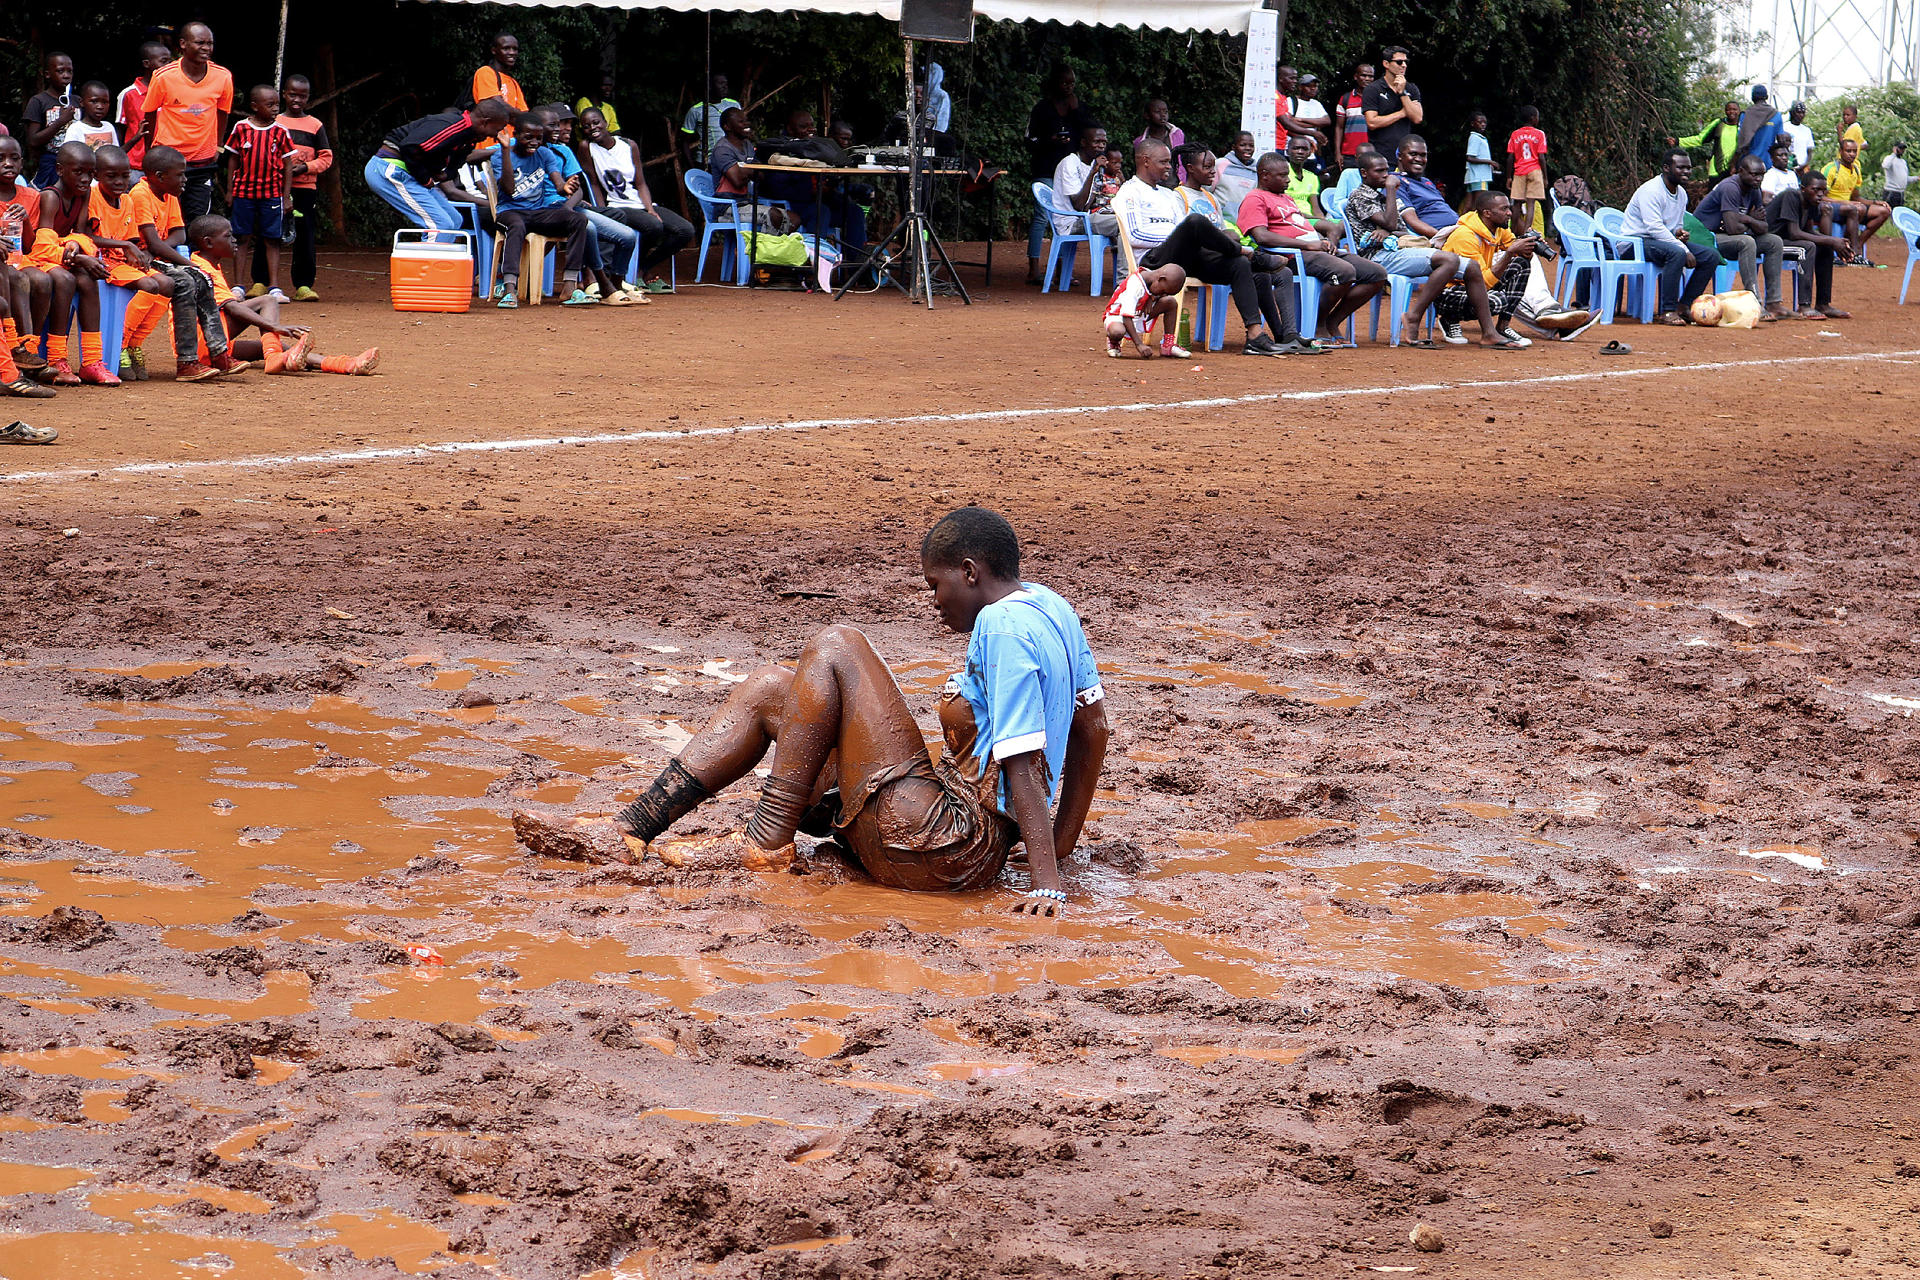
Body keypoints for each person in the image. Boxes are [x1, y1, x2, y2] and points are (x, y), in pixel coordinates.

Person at [612, 507, 1108, 917]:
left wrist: (1046, 882)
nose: (934, 602)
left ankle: (764, 843)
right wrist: (1061, 844)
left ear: (970, 572)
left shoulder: (1000, 626)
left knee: (837, 645)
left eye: (935, 585)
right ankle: (634, 828)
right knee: (771, 688)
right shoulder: (1051, 605)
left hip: (948, 844)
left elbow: (1020, 757)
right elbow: (1094, 726)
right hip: (949, 837)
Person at [1114, 140, 1302, 357]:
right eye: (1163, 162)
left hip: (1186, 257)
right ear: (1145, 161)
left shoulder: (1167, 194)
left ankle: (1255, 336)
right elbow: (1134, 235)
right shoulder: (1129, 192)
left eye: (1168, 161)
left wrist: (1183, 237)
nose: (1169, 166)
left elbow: (1183, 231)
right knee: (1195, 222)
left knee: (1238, 264)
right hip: (1153, 264)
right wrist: (1174, 238)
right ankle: (1249, 253)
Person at [1344, 151, 1514, 348]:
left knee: (1472, 267)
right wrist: (1391, 192)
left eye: (1386, 170)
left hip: (1397, 251)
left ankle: (1489, 333)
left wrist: (1385, 229)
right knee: (1448, 260)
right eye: (1379, 171)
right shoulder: (1361, 195)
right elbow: (1392, 222)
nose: (1386, 175)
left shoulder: (1386, 197)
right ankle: (1414, 316)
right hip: (1376, 257)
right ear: (1364, 173)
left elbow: (1399, 229)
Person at [188, 214, 375, 376]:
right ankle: (273, 358)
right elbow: (233, 308)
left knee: (282, 348)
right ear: (208, 242)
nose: (234, 240)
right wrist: (275, 326)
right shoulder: (203, 270)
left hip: (206, 343)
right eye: (228, 236)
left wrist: (274, 329)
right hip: (202, 344)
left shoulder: (207, 263)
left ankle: (345, 364)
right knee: (267, 300)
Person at [1179, 147, 1320, 353]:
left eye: (1213, 167)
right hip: (1200, 259)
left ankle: (1286, 335)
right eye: (1207, 167)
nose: (1213, 171)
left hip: (1222, 255)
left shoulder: (1211, 199)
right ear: (1190, 169)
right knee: (1244, 263)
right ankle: (1254, 333)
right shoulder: (1179, 196)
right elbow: (1186, 235)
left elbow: (1223, 230)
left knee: (1279, 273)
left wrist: (1228, 237)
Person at [1238, 151, 1378, 345]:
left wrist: (1325, 233)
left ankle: (1331, 320)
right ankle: (1318, 324)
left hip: (1315, 250)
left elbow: (1300, 223)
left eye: (1288, 174)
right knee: (1345, 271)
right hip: (1290, 257)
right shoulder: (1255, 198)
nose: (1288, 180)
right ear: (1264, 175)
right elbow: (1261, 236)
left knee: (1376, 273)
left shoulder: (1285, 199)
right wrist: (1308, 245)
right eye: (1282, 175)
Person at [30, 142, 129, 384]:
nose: (85, 178)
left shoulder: (83, 193)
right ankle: (56, 358)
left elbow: (81, 233)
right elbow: (41, 245)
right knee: (64, 279)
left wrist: (75, 246)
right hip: (36, 258)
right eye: (78, 172)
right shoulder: (50, 197)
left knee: (87, 279)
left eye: (90, 173)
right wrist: (76, 254)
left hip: (61, 257)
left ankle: (92, 361)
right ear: (60, 170)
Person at [117, 145, 211, 382]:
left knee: (184, 282)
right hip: (133, 259)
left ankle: (134, 344)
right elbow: (151, 241)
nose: (185, 179)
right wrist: (190, 263)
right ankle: (121, 343)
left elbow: (180, 235)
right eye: (180, 174)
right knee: (184, 279)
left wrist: (160, 246)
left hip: (155, 257)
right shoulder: (140, 194)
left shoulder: (170, 195)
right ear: (159, 176)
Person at [534, 104, 641, 302]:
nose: (559, 129)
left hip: (568, 207)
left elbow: (577, 186)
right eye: (553, 125)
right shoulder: (525, 150)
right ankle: (602, 284)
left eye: (560, 125)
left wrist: (568, 207)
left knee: (627, 236)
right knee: (587, 228)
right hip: (545, 211)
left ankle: (616, 284)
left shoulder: (562, 152)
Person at [488, 113, 596, 308]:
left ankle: (569, 286)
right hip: (509, 211)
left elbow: (557, 183)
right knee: (517, 225)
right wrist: (505, 151)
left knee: (578, 220)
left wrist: (566, 187)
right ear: (516, 134)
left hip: (537, 212)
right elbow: (509, 189)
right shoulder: (501, 155)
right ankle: (510, 289)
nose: (534, 142)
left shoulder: (545, 154)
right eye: (528, 137)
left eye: (538, 138)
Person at [577, 107, 690, 294]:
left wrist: (650, 208)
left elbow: (641, 183)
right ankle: (632, 271)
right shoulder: (586, 147)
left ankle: (643, 267)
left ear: (605, 122)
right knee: (653, 227)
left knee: (685, 231)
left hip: (640, 203)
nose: (592, 128)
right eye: (586, 126)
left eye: (596, 122)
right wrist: (603, 212)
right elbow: (594, 183)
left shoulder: (629, 145)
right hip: (617, 206)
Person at [364, 98, 511, 237]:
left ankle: (441, 262)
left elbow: (460, 157)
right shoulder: (454, 126)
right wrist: (425, 178)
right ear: (485, 123)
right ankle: (429, 263)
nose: (496, 135)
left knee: (454, 220)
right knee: (441, 225)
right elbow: (410, 148)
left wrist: (446, 174)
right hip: (389, 168)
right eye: (498, 129)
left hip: (407, 173)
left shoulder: (470, 136)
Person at [1620, 147, 1725, 324]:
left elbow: (1673, 226)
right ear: (1666, 168)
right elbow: (1654, 228)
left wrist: (1679, 234)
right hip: (1635, 243)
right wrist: (1682, 247)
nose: (1686, 172)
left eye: (1689, 168)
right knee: (1676, 253)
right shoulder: (1651, 190)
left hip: (1660, 242)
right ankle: (1667, 311)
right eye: (1681, 168)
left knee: (1711, 256)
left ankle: (1684, 305)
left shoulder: (1681, 194)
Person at [140, 24, 233, 222]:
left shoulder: (223, 76)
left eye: (210, 43)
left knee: (198, 220)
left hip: (203, 161)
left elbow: (223, 113)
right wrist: (150, 154)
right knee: (166, 218)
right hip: (169, 161)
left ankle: (192, 254)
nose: (206, 48)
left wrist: (219, 147)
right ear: (183, 44)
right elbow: (149, 116)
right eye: (200, 43)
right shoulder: (163, 76)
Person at [1436, 190, 1538, 346]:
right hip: (1448, 292)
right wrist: (1509, 253)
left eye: (1509, 208)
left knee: (1521, 264)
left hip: (1474, 286)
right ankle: (1449, 318)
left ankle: (1503, 327)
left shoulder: (1498, 229)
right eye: (1504, 209)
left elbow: (1521, 256)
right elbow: (1481, 284)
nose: (1509, 213)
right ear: (1487, 213)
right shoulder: (1465, 236)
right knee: (1496, 301)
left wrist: (1529, 246)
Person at [1025, 64, 1095, 286]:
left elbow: (1092, 132)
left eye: (1072, 83)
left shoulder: (1078, 108)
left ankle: (1063, 271)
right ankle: (1033, 269)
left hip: (1069, 172)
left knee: (1069, 216)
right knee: (1041, 217)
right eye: (1065, 82)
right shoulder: (1042, 109)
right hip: (1046, 167)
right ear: (1054, 83)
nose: (1068, 87)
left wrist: (1077, 111)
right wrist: (1050, 141)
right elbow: (1029, 140)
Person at [223, 85, 295, 302]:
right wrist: (229, 191)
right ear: (255, 106)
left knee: (272, 239)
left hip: (272, 194)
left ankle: (274, 287)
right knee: (241, 237)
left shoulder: (281, 131)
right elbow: (233, 159)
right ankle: (238, 286)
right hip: (244, 192)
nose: (275, 109)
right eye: (270, 104)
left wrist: (285, 197)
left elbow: (288, 165)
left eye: (277, 105)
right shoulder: (241, 128)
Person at [1694, 154, 1789, 317]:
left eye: (1761, 175)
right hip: (1708, 238)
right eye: (1754, 174)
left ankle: (1774, 302)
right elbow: (1733, 228)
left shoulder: (1754, 189)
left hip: (1729, 236)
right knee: (1747, 241)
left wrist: (1745, 219)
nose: (1758, 179)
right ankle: (1755, 303)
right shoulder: (1730, 187)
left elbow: (1764, 227)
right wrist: (1751, 219)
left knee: (1774, 241)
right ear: (1741, 171)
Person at [266, 75, 331, 301]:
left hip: (305, 188)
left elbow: (326, 157)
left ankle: (303, 285)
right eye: (292, 94)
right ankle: (260, 282)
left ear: (308, 98)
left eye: (302, 96)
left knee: (305, 234)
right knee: (268, 231)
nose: (297, 100)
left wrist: (304, 168)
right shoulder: (274, 123)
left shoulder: (315, 125)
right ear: (283, 93)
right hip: (273, 188)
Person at [0, 136, 55, 386]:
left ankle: (30, 347)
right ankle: (15, 347)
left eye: (14, 158)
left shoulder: (31, 196)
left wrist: (26, 221)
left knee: (42, 280)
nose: (8, 164)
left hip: (21, 258)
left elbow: (31, 244)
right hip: (4, 265)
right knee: (18, 278)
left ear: (22, 163)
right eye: (0, 159)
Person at [1768, 169, 1851, 319]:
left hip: (1788, 241)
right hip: (1773, 242)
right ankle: (1804, 306)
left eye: (1823, 191)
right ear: (1803, 189)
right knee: (1807, 247)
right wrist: (1832, 239)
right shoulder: (1791, 196)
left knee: (1824, 247)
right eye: (1816, 190)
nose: (1820, 194)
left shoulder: (1811, 202)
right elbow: (1794, 233)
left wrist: (1833, 242)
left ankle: (1823, 304)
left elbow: (1809, 231)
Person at [708, 107, 796, 233]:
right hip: (728, 208)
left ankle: (772, 249)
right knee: (774, 215)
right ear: (727, 127)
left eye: (746, 120)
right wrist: (753, 168)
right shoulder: (722, 149)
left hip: (746, 203)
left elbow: (761, 176)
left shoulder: (747, 144)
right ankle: (762, 251)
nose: (746, 124)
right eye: (741, 122)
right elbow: (737, 180)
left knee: (794, 219)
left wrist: (747, 169)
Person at [1823, 137, 1890, 265]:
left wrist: (1875, 202)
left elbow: (1856, 198)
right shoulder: (1831, 169)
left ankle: (1858, 244)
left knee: (1883, 211)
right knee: (1857, 208)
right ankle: (1852, 251)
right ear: (1841, 151)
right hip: (1833, 208)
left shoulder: (1856, 170)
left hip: (1851, 208)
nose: (1852, 154)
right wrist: (1846, 203)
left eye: (1855, 151)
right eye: (1848, 151)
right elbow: (1821, 198)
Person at [21, 53, 78, 188]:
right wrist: (60, 121)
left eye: (70, 71)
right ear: (47, 74)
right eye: (60, 71)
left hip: (76, 164)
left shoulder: (78, 101)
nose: (66, 75)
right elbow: (33, 140)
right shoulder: (38, 101)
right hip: (50, 164)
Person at [1053, 125, 1120, 239]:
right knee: (1124, 224)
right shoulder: (1070, 163)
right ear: (1083, 142)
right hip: (1070, 222)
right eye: (1096, 142)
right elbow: (1078, 206)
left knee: (1130, 218)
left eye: (1104, 143)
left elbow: (1087, 206)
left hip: (1088, 216)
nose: (1101, 146)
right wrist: (1093, 173)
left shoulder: (1093, 165)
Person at [1104, 262, 1184, 357]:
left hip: (1138, 313)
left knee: (1170, 302)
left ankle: (1168, 345)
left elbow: (1155, 290)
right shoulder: (1134, 285)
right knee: (1117, 332)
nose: (1163, 294)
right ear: (1161, 279)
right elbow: (1126, 317)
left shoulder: (1152, 277)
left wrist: (1153, 297)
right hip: (1118, 316)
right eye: (1163, 291)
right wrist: (1139, 344)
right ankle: (1113, 341)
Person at [117, 42, 172, 179]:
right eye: (164, 61)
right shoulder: (128, 94)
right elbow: (120, 131)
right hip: (136, 166)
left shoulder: (173, 92)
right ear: (147, 63)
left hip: (166, 165)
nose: (169, 66)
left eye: (170, 62)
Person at [1391, 136, 1458, 237]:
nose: (1419, 159)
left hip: (1458, 229)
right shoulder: (1396, 182)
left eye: (1423, 155)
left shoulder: (1426, 182)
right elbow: (1412, 221)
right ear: (1400, 156)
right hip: (1442, 236)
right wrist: (1442, 237)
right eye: (1413, 154)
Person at [1362, 47, 1422, 159]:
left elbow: (1417, 118)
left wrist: (1402, 93)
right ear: (1386, 63)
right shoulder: (1373, 89)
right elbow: (1372, 123)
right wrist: (1402, 113)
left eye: (1406, 62)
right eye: (1399, 62)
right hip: (1380, 155)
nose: (1404, 65)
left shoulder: (1411, 88)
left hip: (1406, 157)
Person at [681, 73, 741, 168]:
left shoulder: (734, 105)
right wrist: (692, 167)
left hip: (732, 161)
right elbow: (684, 141)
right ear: (710, 87)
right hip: (708, 163)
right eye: (720, 83)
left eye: (726, 83)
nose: (725, 87)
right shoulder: (696, 110)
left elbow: (742, 132)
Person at [1504, 106, 1548, 235]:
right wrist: (1545, 177)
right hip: (1535, 170)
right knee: (1531, 204)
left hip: (1519, 171)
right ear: (1533, 118)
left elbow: (1510, 157)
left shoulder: (1515, 134)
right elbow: (1541, 157)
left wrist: (1508, 177)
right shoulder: (1539, 134)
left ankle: (1511, 234)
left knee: (1516, 204)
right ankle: (1526, 233)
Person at [471, 33, 528, 129]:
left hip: (510, 141)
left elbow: (524, 116)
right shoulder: (485, 72)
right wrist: (517, 114)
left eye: (515, 49)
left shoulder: (513, 82)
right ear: (494, 51)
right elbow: (496, 107)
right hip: (489, 141)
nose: (512, 52)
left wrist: (517, 115)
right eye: (506, 48)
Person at [1674, 102, 1741, 183]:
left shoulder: (1743, 126)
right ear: (1725, 111)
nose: (1731, 112)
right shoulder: (1718, 124)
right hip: (1716, 170)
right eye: (1728, 109)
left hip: (1735, 170)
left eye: (1734, 109)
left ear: (1739, 111)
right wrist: (1678, 141)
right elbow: (1700, 139)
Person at [1274, 66, 1327, 155]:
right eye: (1291, 78)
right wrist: (1312, 133)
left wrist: (1305, 138)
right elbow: (1287, 124)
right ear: (1280, 79)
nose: (1295, 81)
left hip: (1281, 146)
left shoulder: (1282, 98)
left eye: (1295, 78)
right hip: (1274, 145)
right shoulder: (1275, 97)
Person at [54, 83, 120, 155]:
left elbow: (116, 154)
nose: (100, 106)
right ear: (82, 103)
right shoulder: (76, 129)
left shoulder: (109, 127)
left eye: (105, 102)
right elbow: (69, 156)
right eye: (94, 101)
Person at [1290, 73, 1332, 168]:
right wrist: (1316, 124)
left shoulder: (1316, 104)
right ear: (1301, 87)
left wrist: (1301, 120)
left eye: (1315, 86)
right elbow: (1289, 123)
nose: (1313, 89)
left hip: (1312, 151)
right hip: (1294, 150)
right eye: (1309, 86)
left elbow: (1327, 121)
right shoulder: (1291, 101)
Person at [1336, 63, 1373, 171]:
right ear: (1356, 77)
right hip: (1350, 154)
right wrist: (1338, 153)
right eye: (1363, 75)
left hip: (1373, 153)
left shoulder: (1378, 99)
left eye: (1370, 76)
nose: (1367, 79)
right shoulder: (1345, 99)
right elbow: (1339, 127)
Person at [1736, 85, 1781, 168]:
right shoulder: (1776, 115)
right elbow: (1781, 140)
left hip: (1749, 165)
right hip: (1768, 164)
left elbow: (1740, 140)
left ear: (1752, 98)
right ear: (1766, 97)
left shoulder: (1745, 115)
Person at [1284, 136, 1329, 218]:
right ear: (1287, 151)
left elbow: (1315, 208)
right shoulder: (1282, 174)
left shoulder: (1312, 177)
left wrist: (1322, 220)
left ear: (1309, 153)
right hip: (1291, 218)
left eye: (1304, 149)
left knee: (1341, 224)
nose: (1300, 152)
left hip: (1311, 219)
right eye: (1296, 148)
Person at [1217, 131, 1259, 210]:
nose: (1248, 148)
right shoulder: (1221, 164)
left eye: (1251, 146)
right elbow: (1207, 191)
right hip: (1221, 219)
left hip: (1245, 220)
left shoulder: (1256, 171)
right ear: (1234, 147)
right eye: (1243, 145)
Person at [1464, 110, 1495, 193]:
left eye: (1485, 122)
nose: (1483, 124)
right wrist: (1489, 162)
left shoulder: (1477, 137)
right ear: (1472, 124)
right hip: (1480, 176)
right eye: (1480, 122)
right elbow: (1470, 158)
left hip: (1474, 176)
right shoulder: (1475, 137)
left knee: (1470, 204)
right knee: (1480, 201)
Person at [1782, 101, 1815, 173]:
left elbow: (1809, 151)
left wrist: (1803, 165)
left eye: (1803, 113)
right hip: (1787, 167)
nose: (1801, 115)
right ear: (1793, 113)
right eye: (1799, 112)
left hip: (1803, 170)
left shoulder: (1807, 130)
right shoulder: (1784, 127)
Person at [1884, 141, 1910, 209]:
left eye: (1903, 149)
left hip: (1900, 193)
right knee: (1888, 213)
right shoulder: (1889, 158)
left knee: (1898, 213)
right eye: (1900, 148)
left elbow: (1905, 178)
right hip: (1891, 192)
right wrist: (1894, 153)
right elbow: (1885, 166)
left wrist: (1916, 178)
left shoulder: (1903, 162)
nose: (1902, 150)